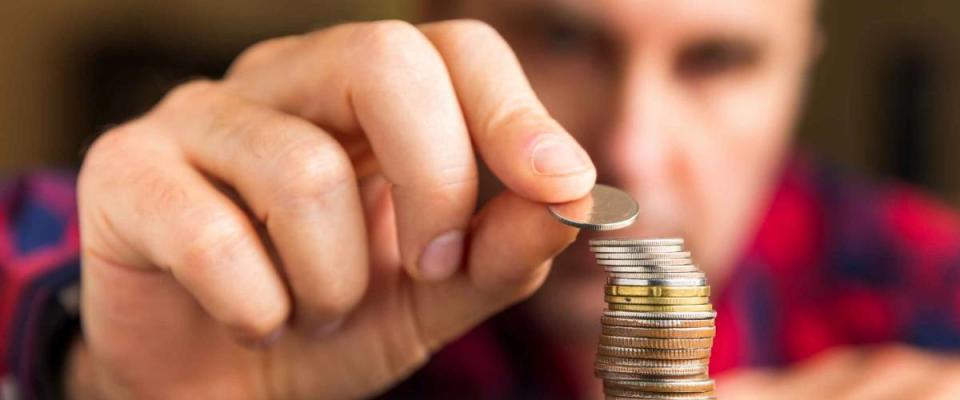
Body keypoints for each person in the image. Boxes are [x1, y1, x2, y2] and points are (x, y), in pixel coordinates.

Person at [3, 0, 960, 398]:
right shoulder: (230, 235)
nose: (628, 143)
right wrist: (96, 376)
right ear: (442, 21)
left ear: (805, 61)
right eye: (566, 37)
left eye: (718, 59)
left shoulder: (930, 281)